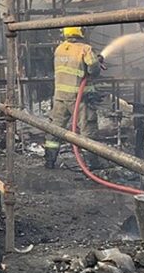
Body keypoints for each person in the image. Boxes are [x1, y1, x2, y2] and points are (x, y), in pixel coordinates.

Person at [44, 26, 105, 169]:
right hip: (80, 97)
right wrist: (97, 61)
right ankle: (92, 163)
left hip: (60, 97)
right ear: (79, 32)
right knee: (87, 129)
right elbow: (93, 69)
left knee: (55, 129)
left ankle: (49, 160)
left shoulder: (59, 49)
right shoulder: (85, 49)